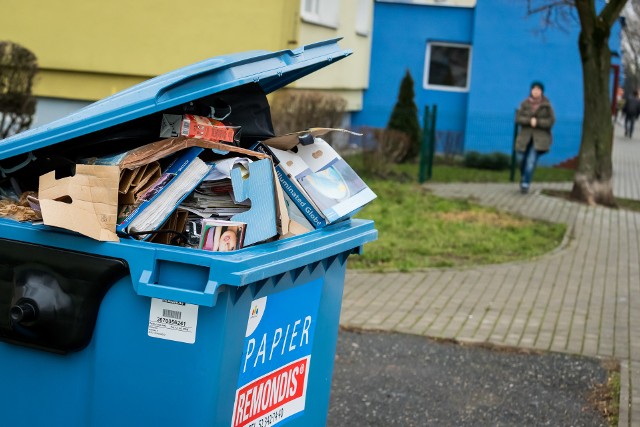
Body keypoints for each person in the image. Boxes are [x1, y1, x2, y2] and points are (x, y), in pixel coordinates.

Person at [515, 81, 555, 194]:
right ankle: (524, 176)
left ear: (541, 92)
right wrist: (529, 121)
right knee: (521, 159)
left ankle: (525, 183)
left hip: (540, 139)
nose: (536, 91)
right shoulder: (524, 104)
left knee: (531, 160)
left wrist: (537, 122)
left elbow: (551, 121)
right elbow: (518, 118)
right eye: (534, 89)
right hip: (525, 137)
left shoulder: (547, 106)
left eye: (538, 89)